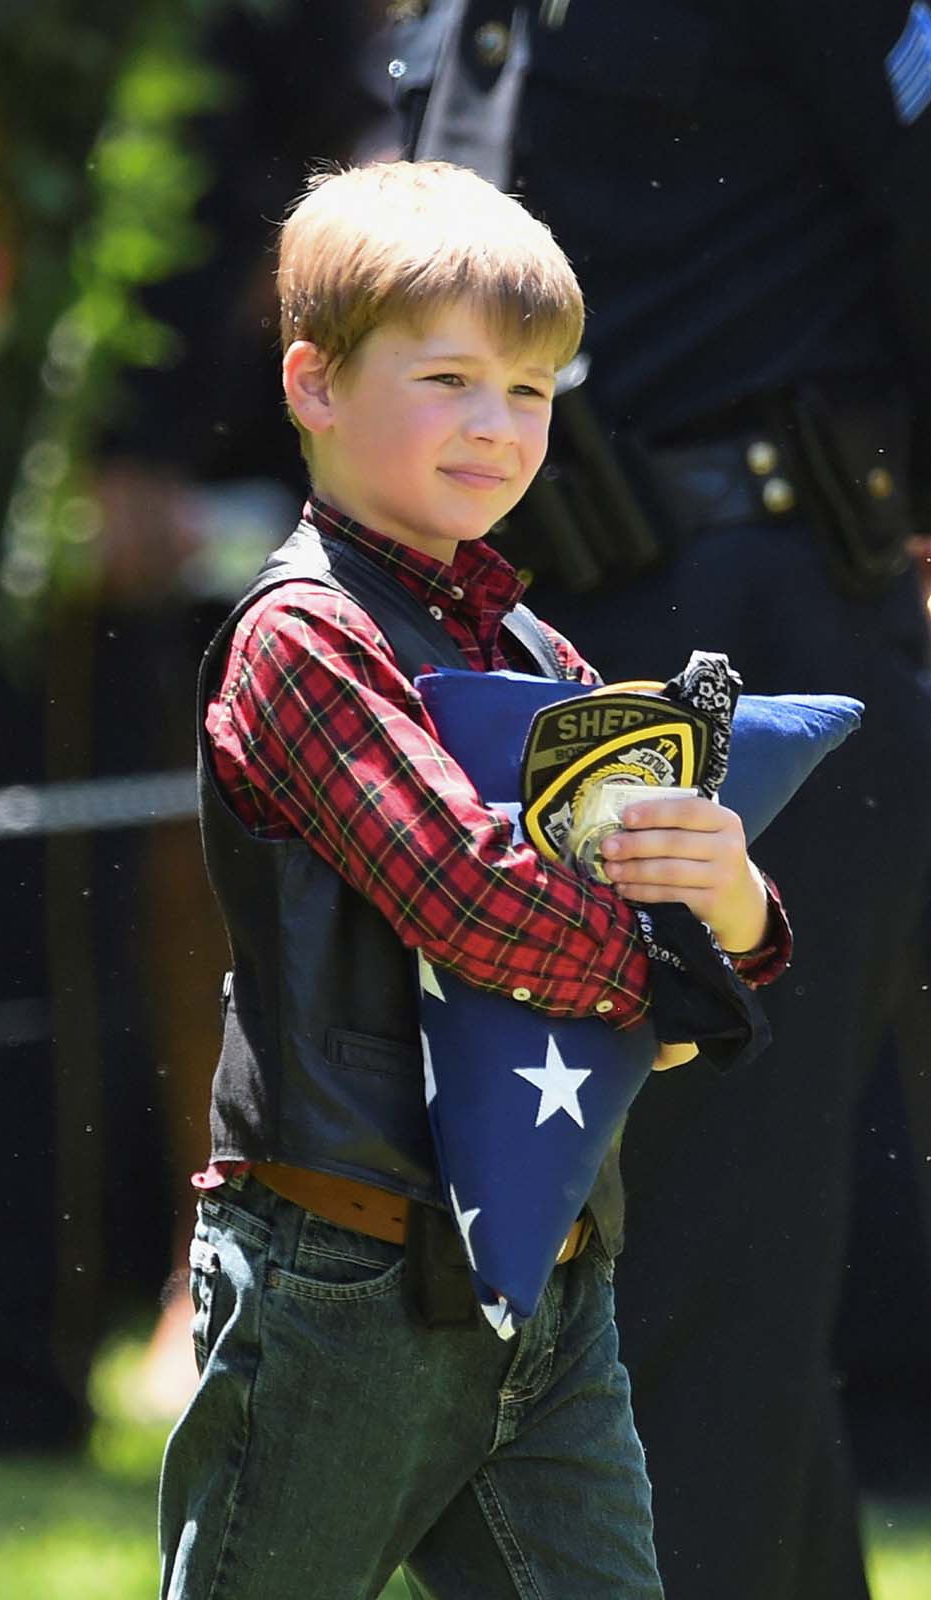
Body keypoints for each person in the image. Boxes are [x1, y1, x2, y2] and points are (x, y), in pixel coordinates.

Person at [157, 158, 791, 1600]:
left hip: (552, 1274)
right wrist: (686, 972)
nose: (496, 427)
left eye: (532, 392)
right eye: (447, 378)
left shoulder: (542, 660)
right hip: (341, 1271)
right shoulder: (302, 638)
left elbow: (680, 922)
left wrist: (733, 901)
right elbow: (472, 898)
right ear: (312, 384)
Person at [379, 5, 931, 1597]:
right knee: (616, 1296)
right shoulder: (464, 16)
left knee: (680, 1288)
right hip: (521, 662)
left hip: (747, 654)